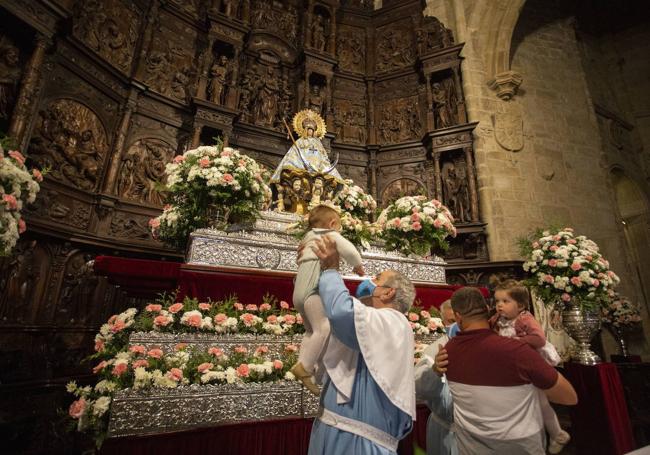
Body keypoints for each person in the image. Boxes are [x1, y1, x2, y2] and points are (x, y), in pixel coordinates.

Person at [306, 235, 417, 454]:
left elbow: (342, 312)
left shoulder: (393, 321)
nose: (367, 281)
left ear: (388, 292)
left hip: (360, 441)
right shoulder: (373, 321)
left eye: (376, 278)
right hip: (339, 428)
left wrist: (330, 270)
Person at [435, 287, 577, 455]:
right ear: (488, 310)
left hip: (470, 443)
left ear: (458, 316)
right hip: (518, 444)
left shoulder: (446, 352)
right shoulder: (517, 350)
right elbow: (568, 397)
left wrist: (435, 369)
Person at [291, 204, 365, 395]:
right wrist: (357, 266)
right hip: (312, 289)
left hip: (298, 291)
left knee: (310, 331)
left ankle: (309, 369)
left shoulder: (307, 238)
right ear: (333, 223)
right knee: (323, 327)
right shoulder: (331, 235)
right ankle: (306, 367)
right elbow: (350, 251)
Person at [490, 280, 569, 454]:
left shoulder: (525, 318)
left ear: (521, 305)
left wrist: (517, 341)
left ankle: (555, 434)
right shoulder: (497, 319)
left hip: (531, 366)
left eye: (505, 301)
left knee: (539, 403)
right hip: (513, 368)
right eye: (497, 301)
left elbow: (539, 339)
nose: (499, 306)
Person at [414, 299, 458, 455]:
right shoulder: (434, 348)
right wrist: (435, 371)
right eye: (451, 321)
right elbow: (419, 389)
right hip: (443, 427)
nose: (455, 325)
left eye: (459, 320)